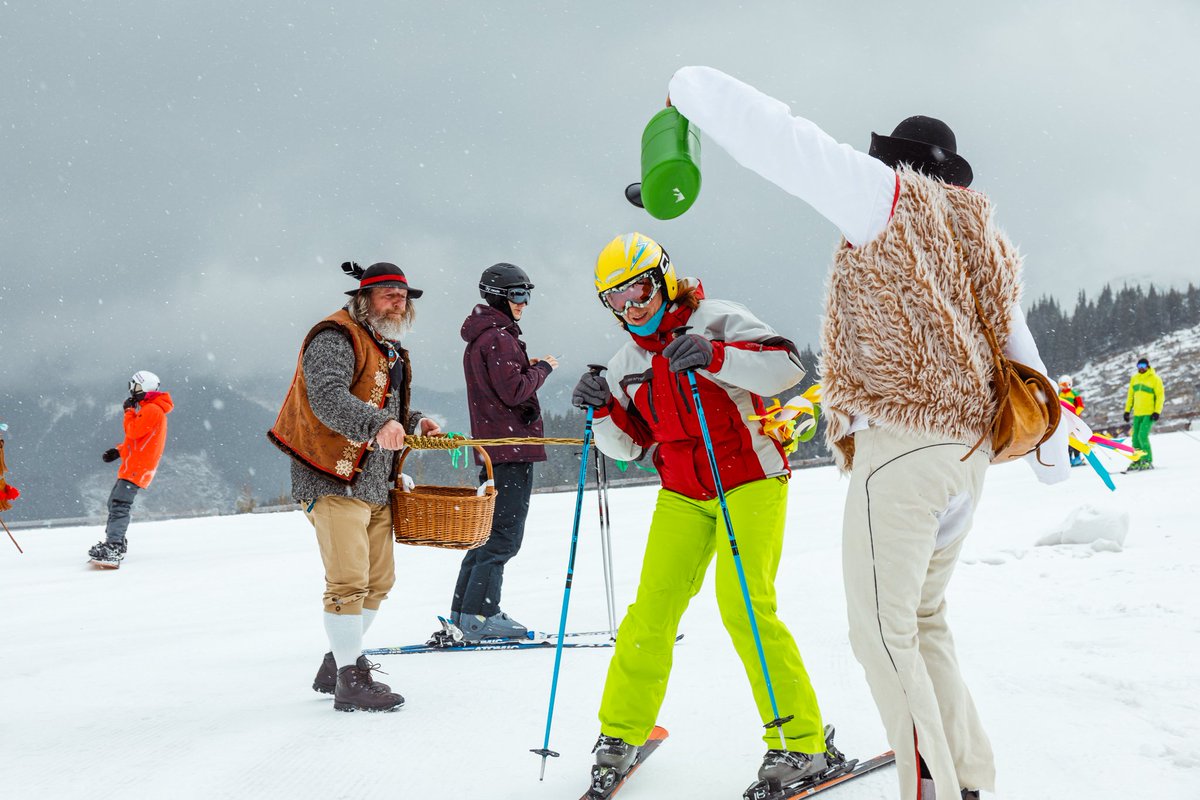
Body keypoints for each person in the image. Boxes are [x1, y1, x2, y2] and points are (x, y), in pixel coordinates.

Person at [664, 66, 1069, 800]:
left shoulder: (887, 197)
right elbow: (1022, 349)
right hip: (966, 458)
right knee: (923, 620)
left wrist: (692, 89)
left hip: (904, 447)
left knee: (882, 635)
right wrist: (1052, 454)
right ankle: (967, 780)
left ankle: (931, 789)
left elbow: (784, 142)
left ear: (896, 163)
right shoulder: (979, 237)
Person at [571, 232, 831, 792]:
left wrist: (715, 355)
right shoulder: (626, 364)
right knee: (650, 612)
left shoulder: (717, 319)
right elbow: (629, 447)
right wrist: (602, 410)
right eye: (616, 299)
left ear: (663, 279)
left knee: (745, 606)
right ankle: (621, 732)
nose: (632, 307)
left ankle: (802, 741)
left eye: (639, 291)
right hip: (683, 494)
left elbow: (786, 369)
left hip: (750, 478)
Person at [268, 261, 441, 712]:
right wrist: (378, 423)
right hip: (330, 474)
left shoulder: (385, 345)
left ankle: (337, 661)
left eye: (402, 297)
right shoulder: (334, 336)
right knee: (348, 582)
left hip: (373, 480)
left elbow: (382, 403)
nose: (398, 303)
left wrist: (414, 420)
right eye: (388, 295)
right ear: (363, 299)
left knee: (378, 581)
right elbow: (327, 397)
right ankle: (350, 680)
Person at [450, 262, 557, 640]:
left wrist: (527, 366)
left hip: (498, 448)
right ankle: (481, 616)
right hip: (510, 449)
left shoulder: (485, 337)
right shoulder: (498, 337)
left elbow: (502, 385)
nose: (524, 302)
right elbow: (514, 391)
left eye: (526, 295)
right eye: (518, 294)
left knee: (488, 534)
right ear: (499, 297)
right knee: (503, 537)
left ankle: (464, 613)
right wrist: (543, 369)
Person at [86, 371, 173, 565]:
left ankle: (114, 546)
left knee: (119, 505)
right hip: (134, 466)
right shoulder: (149, 409)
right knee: (114, 503)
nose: (131, 390)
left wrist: (128, 411)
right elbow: (138, 442)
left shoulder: (152, 410)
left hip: (138, 468)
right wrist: (118, 451)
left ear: (142, 387)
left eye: (134, 386)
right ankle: (115, 541)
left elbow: (133, 431)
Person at [1124, 356, 1165, 471]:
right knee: (1135, 438)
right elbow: (1130, 396)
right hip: (1137, 413)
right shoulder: (1134, 378)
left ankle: (1147, 460)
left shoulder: (1155, 379)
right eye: (1139, 366)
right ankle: (1137, 460)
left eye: (1143, 366)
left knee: (1142, 436)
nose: (1141, 368)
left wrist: (1157, 411)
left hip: (1149, 413)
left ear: (1148, 366)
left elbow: (1160, 396)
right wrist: (1127, 411)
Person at [1058, 375, 1086, 466]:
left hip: (1074, 420)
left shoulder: (1074, 393)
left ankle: (1077, 458)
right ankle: (1069, 458)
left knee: (1075, 439)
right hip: (1064, 420)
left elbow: (1080, 406)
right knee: (1067, 440)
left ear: (1069, 384)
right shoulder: (1060, 394)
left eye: (1064, 384)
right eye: (1061, 385)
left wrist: (1075, 415)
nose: (1063, 387)